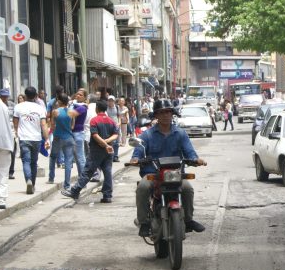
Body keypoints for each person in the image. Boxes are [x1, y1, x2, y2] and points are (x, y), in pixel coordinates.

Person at [130, 99, 207, 237]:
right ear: (156, 115)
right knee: (142, 187)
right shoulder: (147, 135)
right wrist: (135, 159)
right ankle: (144, 222)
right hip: (153, 174)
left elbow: (189, 152)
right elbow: (138, 151)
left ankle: (188, 220)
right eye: (162, 112)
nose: (166, 115)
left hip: (175, 174)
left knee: (187, 188)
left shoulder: (181, 133)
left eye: (168, 112)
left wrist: (196, 159)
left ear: (173, 114)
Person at [61, 100, 118, 203]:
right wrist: (107, 143)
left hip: (96, 151)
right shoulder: (111, 121)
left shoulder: (94, 120)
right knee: (107, 171)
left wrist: (104, 143)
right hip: (108, 150)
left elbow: (95, 135)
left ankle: (75, 190)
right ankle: (107, 195)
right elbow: (115, 135)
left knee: (88, 171)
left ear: (97, 109)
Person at [13, 86, 49, 195]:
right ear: (36, 96)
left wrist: (16, 132)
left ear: (25, 95)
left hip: (24, 138)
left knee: (26, 161)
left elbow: (15, 123)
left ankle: (28, 180)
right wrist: (46, 139)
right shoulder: (40, 108)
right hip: (36, 138)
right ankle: (32, 184)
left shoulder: (18, 107)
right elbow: (43, 124)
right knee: (33, 162)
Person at [47, 94, 77, 190]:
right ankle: (67, 185)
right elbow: (72, 126)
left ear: (59, 101)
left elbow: (52, 125)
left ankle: (51, 178)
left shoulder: (55, 112)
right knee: (68, 161)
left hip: (58, 137)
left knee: (53, 157)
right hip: (69, 138)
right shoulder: (71, 112)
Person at [70, 89, 89, 177]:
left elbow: (71, 114)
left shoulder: (83, 107)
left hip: (78, 133)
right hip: (72, 133)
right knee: (76, 157)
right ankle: (81, 176)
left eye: (81, 95)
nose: (78, 96)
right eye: (77, 94)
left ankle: (83, 177)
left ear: (85, 97)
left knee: (80, 157)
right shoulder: (74, 105)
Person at [106, 95, 121, 162]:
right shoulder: (106, 108)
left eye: (112, 100)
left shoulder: (117, 107)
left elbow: (119, 116)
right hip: (109, 127)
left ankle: (116, 156)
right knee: (111, 142)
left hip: (116, 126)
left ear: (114, 101)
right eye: (109, 100)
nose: (110, 102)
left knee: (117, 143)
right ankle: (111, 156)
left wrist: (119, 123)